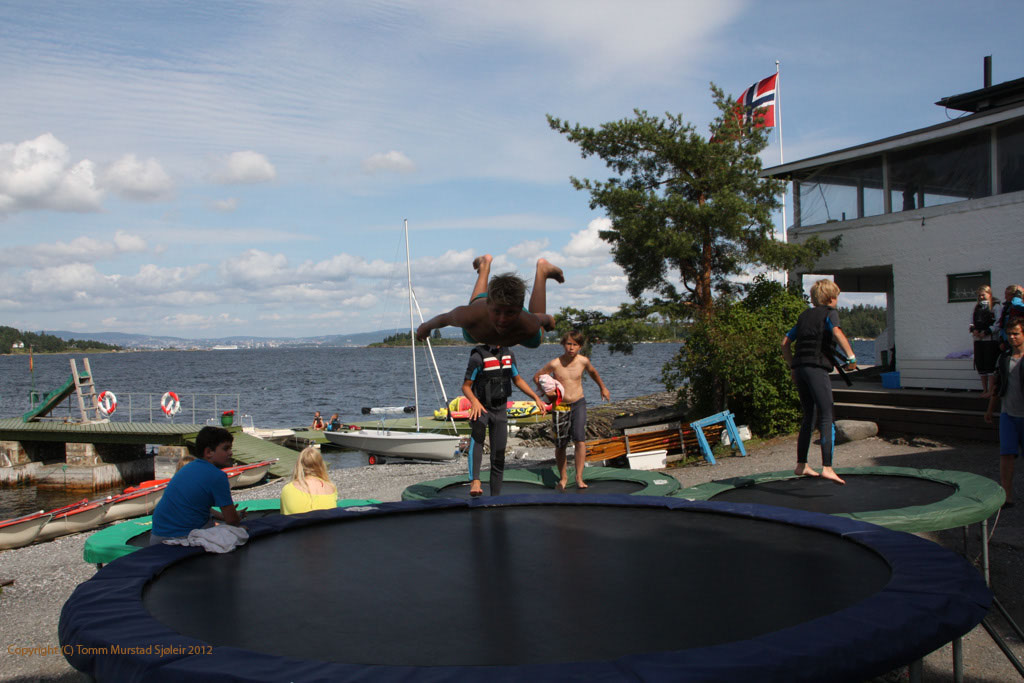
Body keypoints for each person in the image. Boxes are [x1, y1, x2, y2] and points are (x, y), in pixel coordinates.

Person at [780, 279, 857, 485]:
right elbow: (837, 332)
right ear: (831, 298)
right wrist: (851, 358)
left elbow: (785, 343)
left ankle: (801, 464)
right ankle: (827, 467)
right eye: (837, 298)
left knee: (809, 415)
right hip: (816, 369)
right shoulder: (830, 313)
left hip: (800, 369)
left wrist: (792, 366)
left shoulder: (804, 316)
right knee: (826, 414)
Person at [415, 255, 563, 349]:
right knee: (475, 308)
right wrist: (426, 327)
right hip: (477, 327)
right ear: (489, 304)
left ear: (520, 309)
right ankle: (484, 265)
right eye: (497, 312)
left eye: (510, 313)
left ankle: (542, 271)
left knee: (536, 341)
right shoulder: (468, 315)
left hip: (515, 330)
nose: (502, 319)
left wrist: (549, 321)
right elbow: (443, 319)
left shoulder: (529, 323)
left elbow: (543, 318)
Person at [462, 344, 546, 496]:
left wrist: (536, 398)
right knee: (478, 437)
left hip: (500, 409)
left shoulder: (509, 355)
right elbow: (466, 386)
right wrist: (474, 401)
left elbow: (517, 380)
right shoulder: (477, 357)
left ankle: (495, 496)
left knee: (498, 454)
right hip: (481, 407)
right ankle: (475, 481)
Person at [533, 330, 611, 491]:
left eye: (575, 344)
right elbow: (537, 377)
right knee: (561, 444)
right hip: (560, 405)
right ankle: (563, 478)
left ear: (580, 346)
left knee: (580, 440)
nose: (571, 347)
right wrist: (546, 393)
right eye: (568, 344)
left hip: (578, 403)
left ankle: (579, 477)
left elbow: (593, 372)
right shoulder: (555, 364)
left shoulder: (583, 361)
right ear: (563, 344)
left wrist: (603, 388)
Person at [150, 426, 246, 545]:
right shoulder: (217, 476)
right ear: (208, 452)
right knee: (238, 533)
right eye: (226, 449)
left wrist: (222, 516)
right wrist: (237, 523)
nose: (230, 453)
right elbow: (232, 520)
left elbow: (195, 504)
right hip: (180, 538)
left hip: (157, 536)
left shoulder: (188, 468)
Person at [985, 317, 1024, 508]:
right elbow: (997, 387)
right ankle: (1007, 496)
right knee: (1006, 456)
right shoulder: (1004, 358)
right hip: (1008, 414)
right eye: (1009, 334)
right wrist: (990, 409)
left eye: (1016, 333)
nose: (1012, 337)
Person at [281, 446, 338, 514]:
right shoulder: (331, 488)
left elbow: (284, 517)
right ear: (321, 465)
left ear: (299, 465)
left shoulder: (287, 489)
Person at [970, 285, 1000, 397]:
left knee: (990, 364)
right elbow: (971, 322)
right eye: (979, 295)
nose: (981, 297)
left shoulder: (995, 306)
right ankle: (984, 389)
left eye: (983, 295)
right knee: (980, 364)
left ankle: (990, 390)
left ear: (989, 294)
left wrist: (987, 332)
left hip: (990, 340)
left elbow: (998, 323)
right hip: (978, 339)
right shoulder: (976, 307)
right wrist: (974, 330)